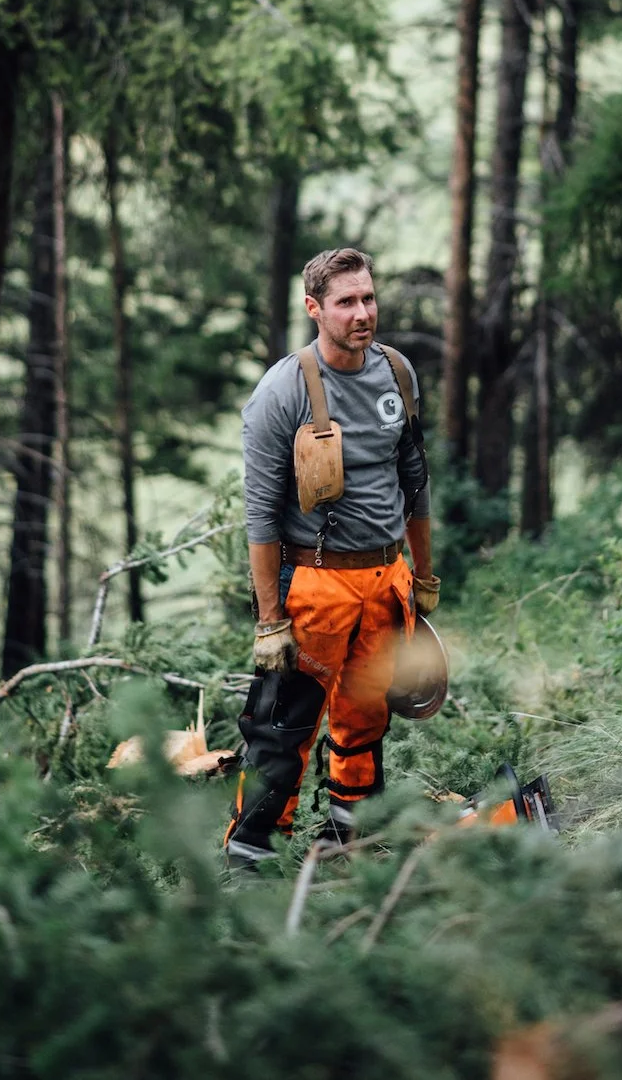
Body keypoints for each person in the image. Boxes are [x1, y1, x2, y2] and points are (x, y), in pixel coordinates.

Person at [224, 246, 440, 865]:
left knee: (367, 719)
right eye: (346, 302)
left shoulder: (398, 374)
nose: (362, 313)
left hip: (386, 578)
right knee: (281, 728)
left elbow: (416, 481)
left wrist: (423, 577)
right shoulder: (282, 391)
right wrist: (271, 621)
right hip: (314, 584)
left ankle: (352, 840)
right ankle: (251, 857)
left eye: (368, 298)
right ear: (315, 309)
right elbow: (261, 514)